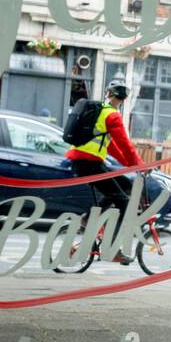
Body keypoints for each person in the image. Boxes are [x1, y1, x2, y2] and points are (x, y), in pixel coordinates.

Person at [65, 80, 146, 265]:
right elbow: (125, 145)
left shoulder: (100, 112)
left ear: (108, 93)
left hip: (84, 163)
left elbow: (112, 148)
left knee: (126, 185)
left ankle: (88, 219)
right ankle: (111, 248)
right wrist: (141, 165)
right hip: (90, 164)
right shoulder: (113, 116)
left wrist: (132, 165)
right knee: (124, 201)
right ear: (124, 99)